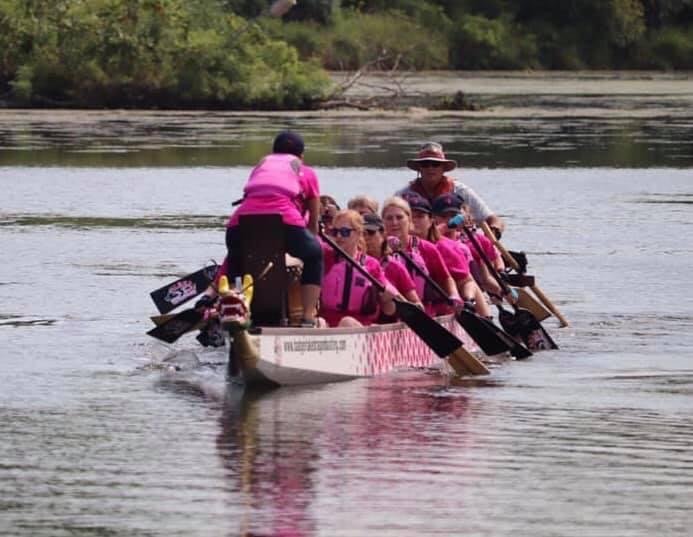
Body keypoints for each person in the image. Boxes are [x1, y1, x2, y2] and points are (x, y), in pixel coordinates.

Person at [225, 131, 322, 326]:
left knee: (237, 259)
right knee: (314, 255)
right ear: (301, 156)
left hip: (238, 224)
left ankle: (236, 311)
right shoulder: (306, 171)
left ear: (273, 152)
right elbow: (314, 216)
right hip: (285, 221)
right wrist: (312, 238)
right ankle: (309, 317)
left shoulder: (260, 166)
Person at [403, 192, 491, 318]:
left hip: (439, 313)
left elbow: (468, 282)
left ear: (431, 220)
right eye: (411, 217)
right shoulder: (388, 247)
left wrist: (469, 301)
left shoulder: (446, 247)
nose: (414, 221)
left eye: (420, 216)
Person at [396, 141, 505, 238]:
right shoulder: (403, 195)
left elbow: (494, 220)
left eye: (435, 164)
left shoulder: (461, 191)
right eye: (425, 164)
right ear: (419, 168)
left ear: (443, 168)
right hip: (418, 244)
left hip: (458, 244)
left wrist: (493, 234)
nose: (430, 168)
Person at [381, 195, 463, 317]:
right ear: (382, 222)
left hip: (426, 312)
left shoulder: (426, 248)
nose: (394, 223)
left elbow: (446, 278)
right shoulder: (376, 250)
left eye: (399, 217)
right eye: (389, 218)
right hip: (391, 313)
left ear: (409, 220)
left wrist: (454, 295)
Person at [320, 210, 397, 327]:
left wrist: (387, 298)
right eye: (335, 232)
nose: (339, 236)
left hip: (360, 326)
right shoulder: (325, 256)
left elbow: (389, 310)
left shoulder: (372, 265)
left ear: (358, 233)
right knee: (319, 322)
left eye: (345, 232)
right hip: (329, 325)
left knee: (347, 322)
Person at [362, 212, 423, 312]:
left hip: (390, 319)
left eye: (371, 232)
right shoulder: (355, 263)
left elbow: (415, 302)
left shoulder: (395, 266)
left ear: (382, 234)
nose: (366, 238)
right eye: (362, 234)